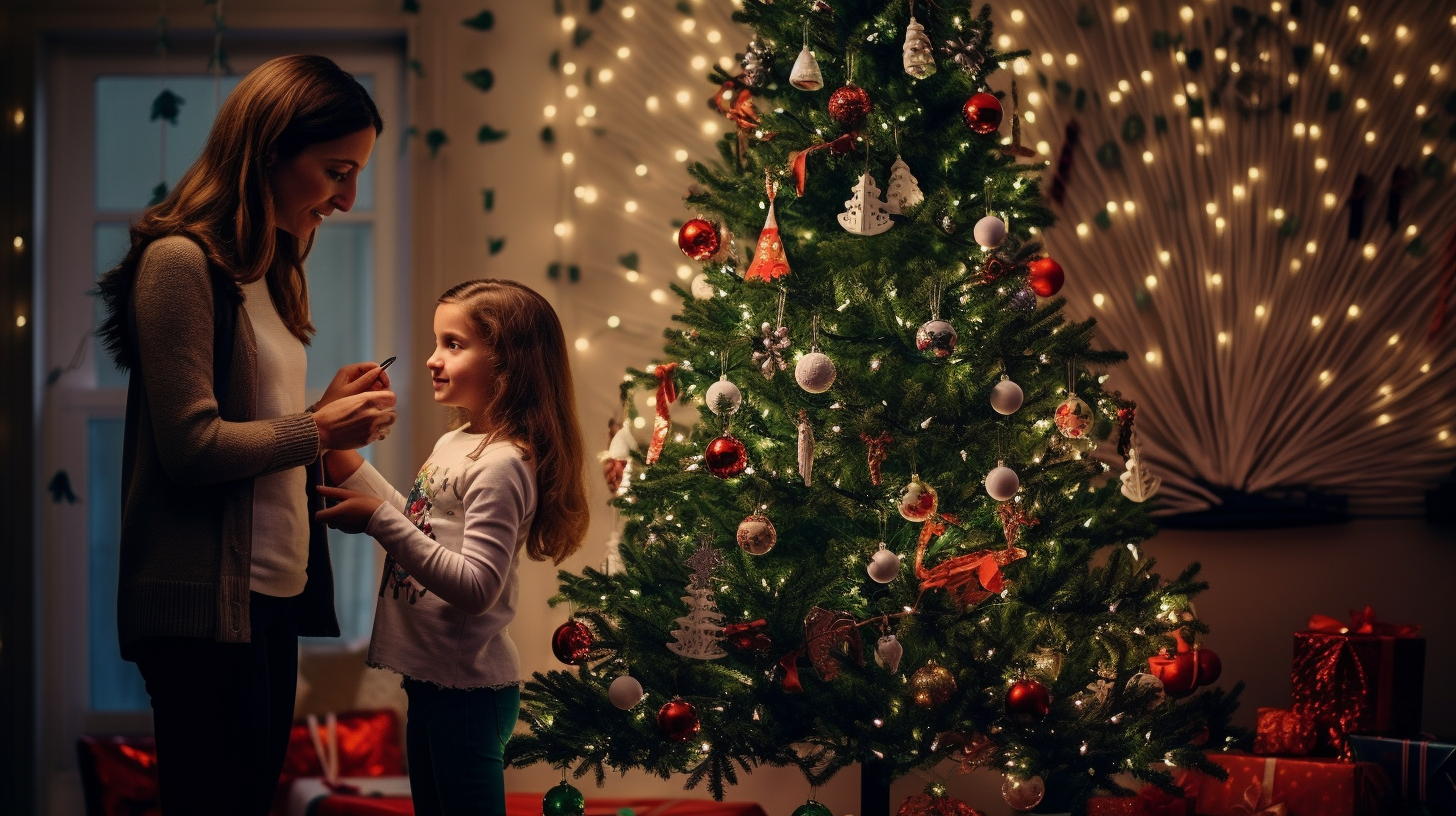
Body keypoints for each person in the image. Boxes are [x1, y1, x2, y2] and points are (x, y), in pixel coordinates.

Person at [94, 55, 398, 816]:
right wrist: (317, 425)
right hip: (203, 613)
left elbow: (263, 432)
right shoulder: (178, 264)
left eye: (354, 174)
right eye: (336, 171)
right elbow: (192, 449)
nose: (347, 197)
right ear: (268, 151)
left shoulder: (272, 270)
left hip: (271, 598)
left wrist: (324, 414)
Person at [315, 279, 591, 816]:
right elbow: (424, 526)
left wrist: (376, 519)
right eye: (436, 342)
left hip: (469, 690)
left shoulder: (504, 464)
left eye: (453, 344)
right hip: (433, 680)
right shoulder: (457, 442)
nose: (430, 359)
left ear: (507, 361)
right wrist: (350, 463)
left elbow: (476, 588)